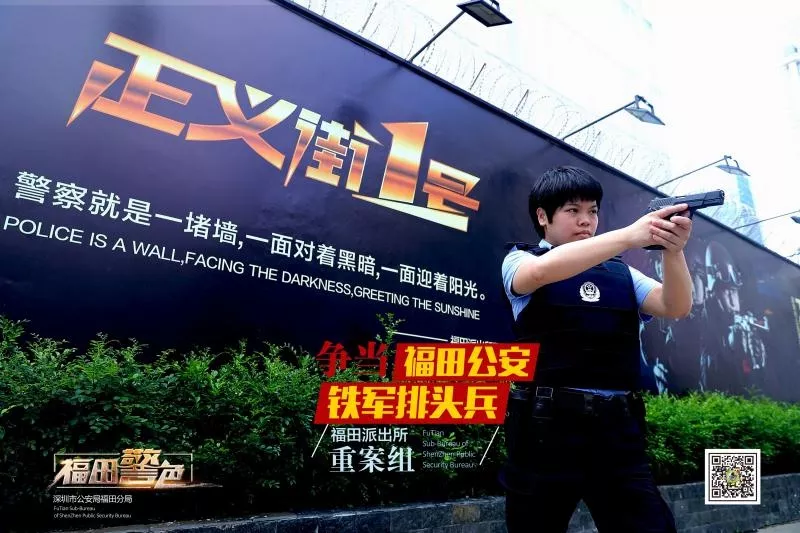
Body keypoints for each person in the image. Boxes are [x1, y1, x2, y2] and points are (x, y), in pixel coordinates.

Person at [499, 166, 693, 533]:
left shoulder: (622, 274)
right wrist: (629, 236)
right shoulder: (520, 260)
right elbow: (538, 274)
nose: (586, 221)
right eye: (573, 210)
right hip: (545, 431)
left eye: (592, 211)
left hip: (617, 431)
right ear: (543, 216)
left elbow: (676, 305)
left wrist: (673, 250)